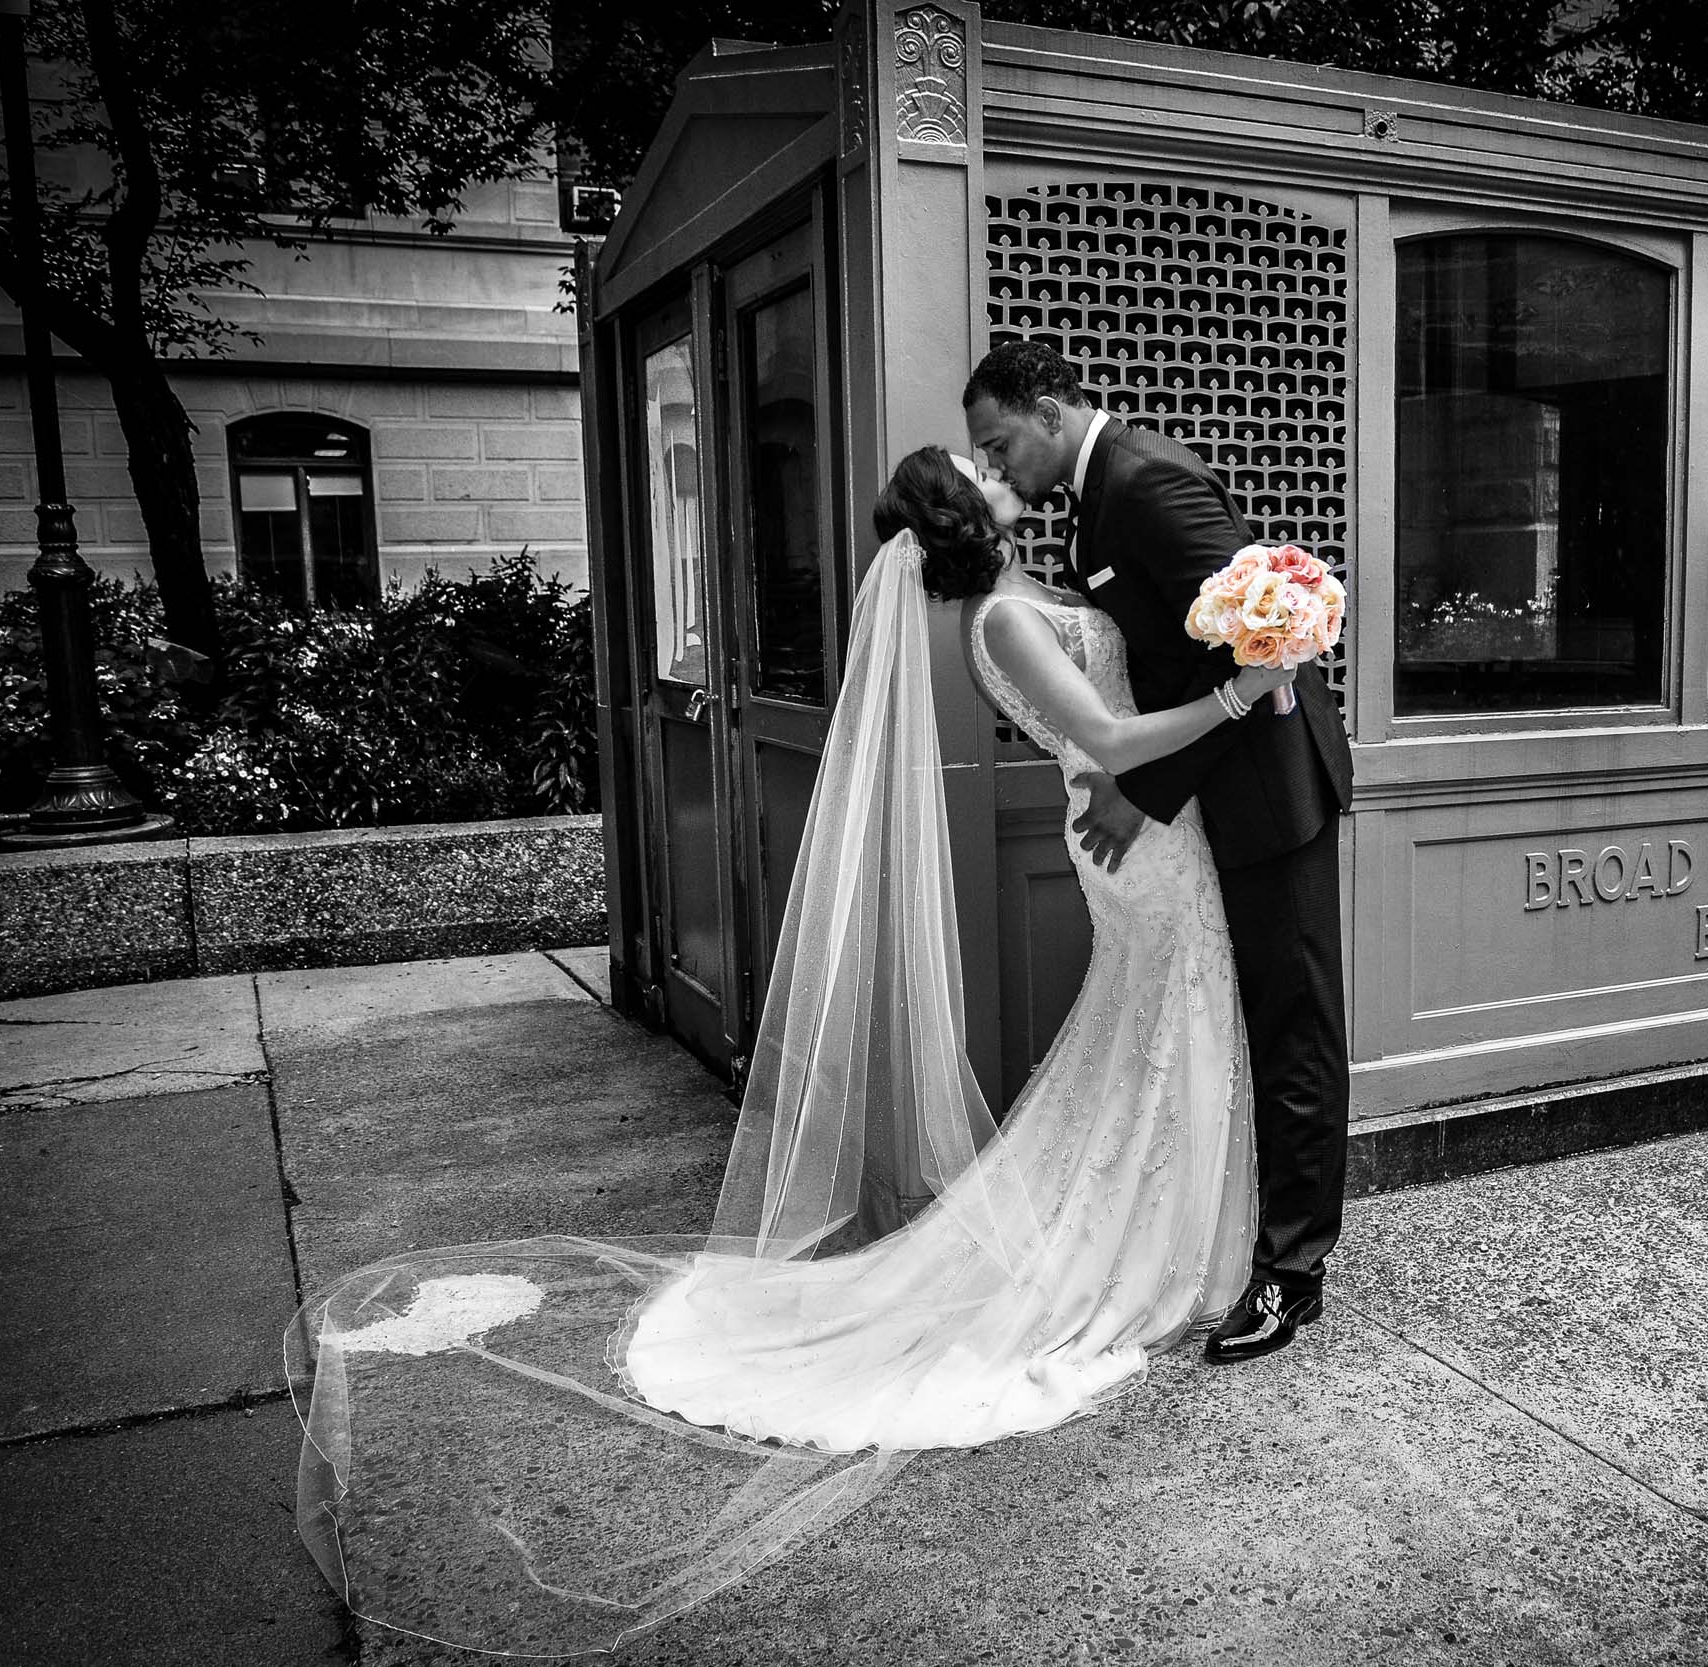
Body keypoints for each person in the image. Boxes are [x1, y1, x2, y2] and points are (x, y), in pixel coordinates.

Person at [286, 444, 1301, 1658]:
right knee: (1159, 1031)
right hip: (1136, 838)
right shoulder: (1006, 623)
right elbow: (1112, 741)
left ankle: (1175, 1219)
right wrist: (1250, 686)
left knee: (1157, 1037)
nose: (995, 464)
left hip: (1148, 835)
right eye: (978, 465)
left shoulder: (1039, 593)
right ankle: (1145, 1240)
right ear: (962, 517)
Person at [964, 340, 1354, 1365]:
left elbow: (1260, 645)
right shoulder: (1097, 503)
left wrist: (1142, 794)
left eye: (1001, 444)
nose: (1001, 469)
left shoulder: (1141, 481)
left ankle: (1292, 1274)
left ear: (1048, 407)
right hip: (1213, 798)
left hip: (1273, 792)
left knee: (1294, 1025)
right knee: (1257, 1019)